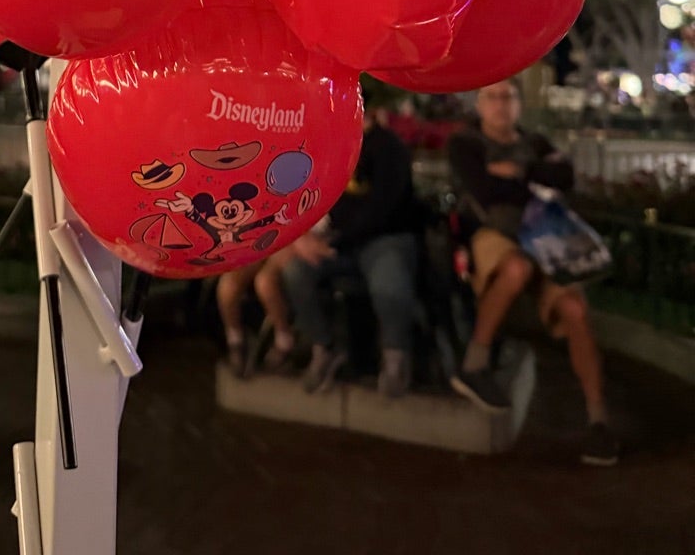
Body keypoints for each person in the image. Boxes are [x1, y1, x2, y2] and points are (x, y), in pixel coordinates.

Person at [447, 77, 619, 466]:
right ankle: (475, 363)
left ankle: (598, 420)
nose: (500, 104)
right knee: (514, 268)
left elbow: (565, 177)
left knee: (575, 309)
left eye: (507, 96)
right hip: (496, 235)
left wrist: (515, 173)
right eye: (491, 96)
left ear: (520, 104)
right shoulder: (465, 143)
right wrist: (532, 177)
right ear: (478, 103)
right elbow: (484, 190)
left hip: (544, 236)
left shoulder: (535, 143)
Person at [283, 99, 420, 397]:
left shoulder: (388, 147)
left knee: (388, 280)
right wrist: (303, 237)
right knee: (296, 272)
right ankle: (324, 348)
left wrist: (334, 242)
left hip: (384, 237)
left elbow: (381, 209)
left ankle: (396, 356)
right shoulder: (333, 145)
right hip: (339, 240)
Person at [216, 246, 298, 378]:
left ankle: (284, 340)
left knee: (264, 282)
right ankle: (236, 341)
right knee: (229, 284)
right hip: (262, 238)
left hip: (290, 240)